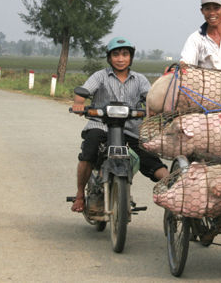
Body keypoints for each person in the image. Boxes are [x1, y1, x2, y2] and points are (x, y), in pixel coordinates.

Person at [70, 37, 169, 212]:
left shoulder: (139, 79)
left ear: (130, 57)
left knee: (149, 158)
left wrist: (153, 108)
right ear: (109, 58)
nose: (120, 58)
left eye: (125, 54)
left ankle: (175, 187)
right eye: (116, 54)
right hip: (100, 126)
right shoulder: (100, 76)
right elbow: (83, 92)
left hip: (130, 129)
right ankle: (79, 195)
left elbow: (150, 98)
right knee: (89, 150)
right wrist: (79, 103)